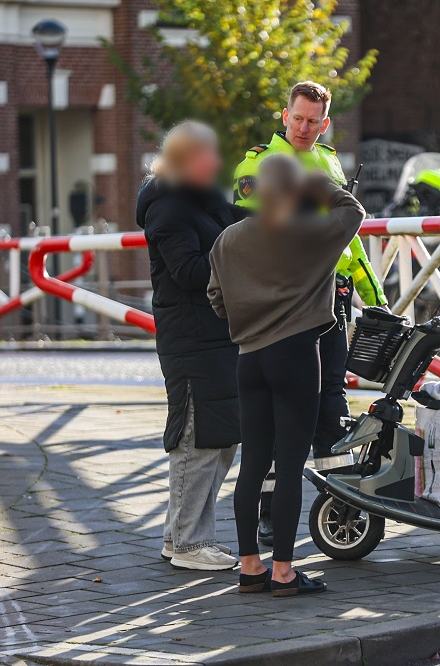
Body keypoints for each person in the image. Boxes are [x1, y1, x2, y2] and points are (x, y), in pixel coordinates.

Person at [233, 81, 387, 546]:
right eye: (297, 118)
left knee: (331, 406)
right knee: (279, 413)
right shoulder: (256, 163)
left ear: (325, 123)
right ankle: (269, 516)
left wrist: (373, 297)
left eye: (313, 121)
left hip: (333, 300)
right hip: (287, 303)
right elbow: (246, 234)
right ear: (284, 116)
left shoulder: (328, 160)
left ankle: (340, 506)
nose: (304, 128)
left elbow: (350, 239)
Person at [209, 154, 366, 596]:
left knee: (253, 465)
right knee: (291, 465)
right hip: (297, 354)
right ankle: (283, 572)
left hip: (249, 358)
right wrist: (318, 182)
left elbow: (215, 297)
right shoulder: (309, 233)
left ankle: (249, 568)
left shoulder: (227, 240)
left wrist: (248, 319)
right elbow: (353, 211)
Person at [135, 121, 246, 571]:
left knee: (220, 440)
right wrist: (243, 256)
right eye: (208, 156)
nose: (217, 163)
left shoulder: (204, 200)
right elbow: (191, 272)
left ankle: (180, 536)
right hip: (192, 339)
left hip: (217, 335)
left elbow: (239, 224)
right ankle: (187, 544)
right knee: (196, 439)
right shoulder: (169, 208)